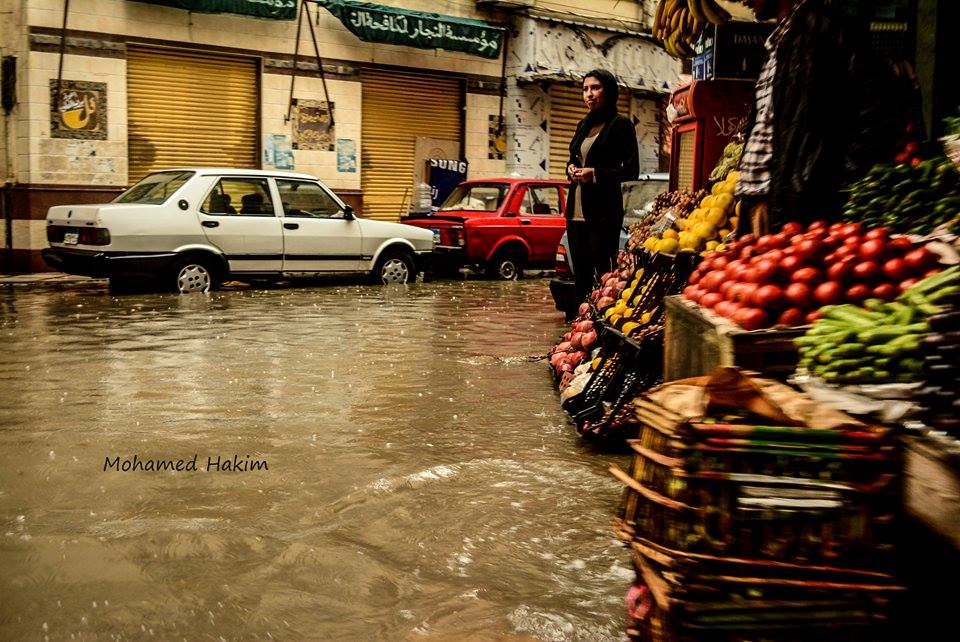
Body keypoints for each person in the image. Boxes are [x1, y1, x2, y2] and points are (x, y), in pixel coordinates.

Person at [735, 0, 910, 235]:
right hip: (765, 208)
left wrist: (831, 184)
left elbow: (879, 107)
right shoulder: (780, 42)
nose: (742, 0)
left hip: (798, 214)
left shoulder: (825, 29)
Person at [565, 69, 639, 307]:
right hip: (575, 210)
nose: (589, 94)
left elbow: (631, 170)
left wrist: (595, 174)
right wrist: (571, 168)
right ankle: (577, 331)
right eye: (585, 89)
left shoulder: (621, 125)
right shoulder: (582, 125)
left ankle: (600, 326)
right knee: (581, 275)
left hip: (603, 212)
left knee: (603, 274)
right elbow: (575, 158)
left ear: (608, 91)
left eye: (595, 88)